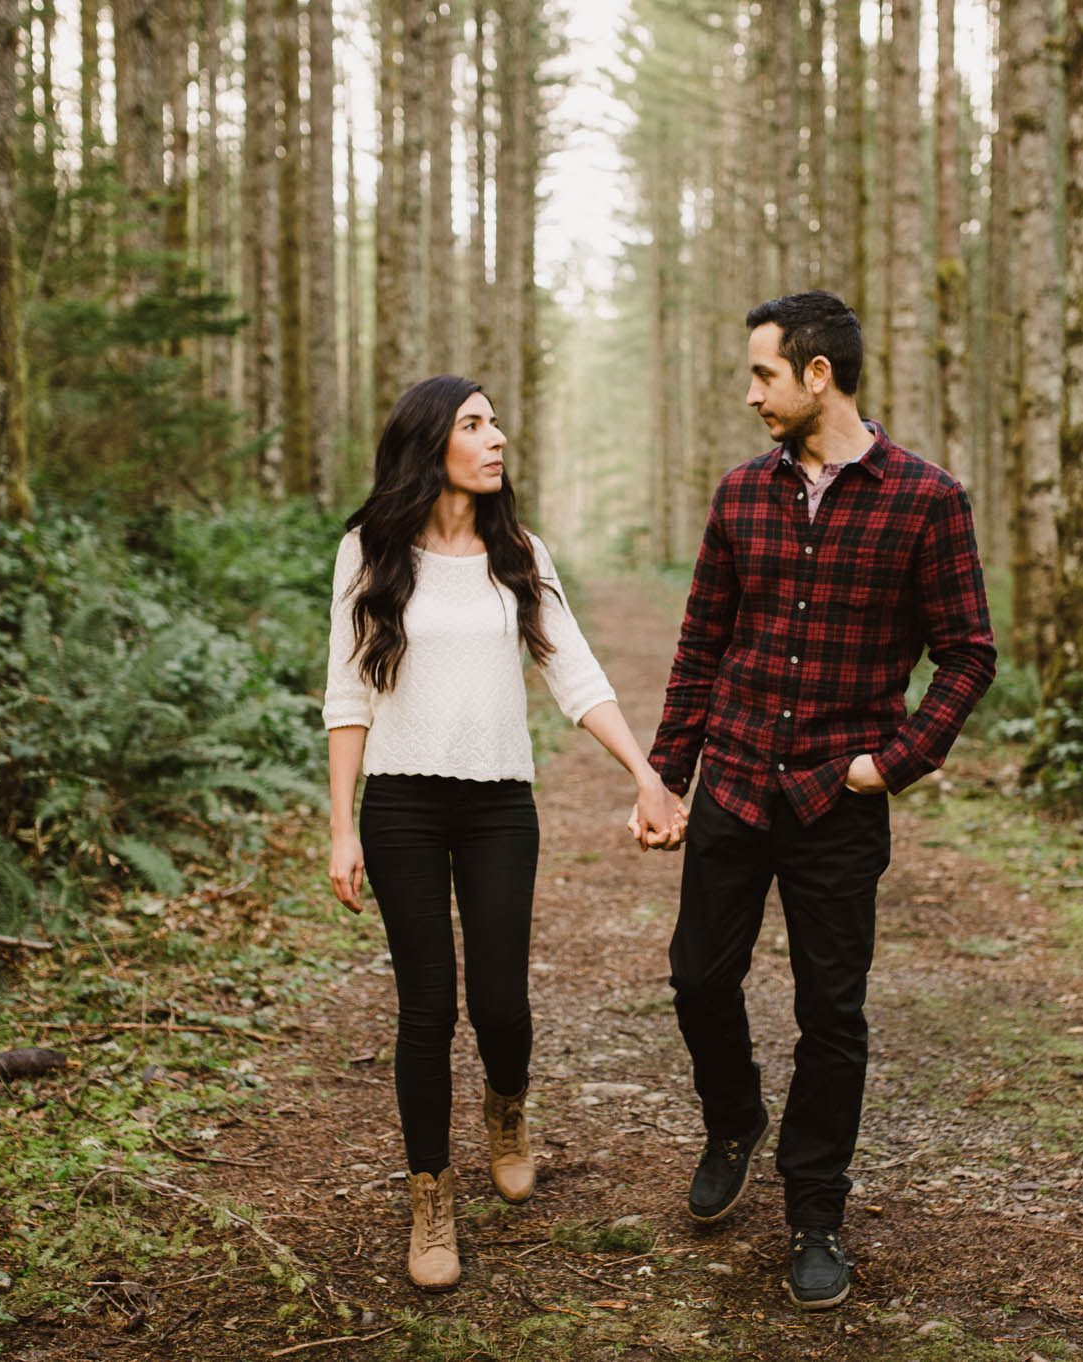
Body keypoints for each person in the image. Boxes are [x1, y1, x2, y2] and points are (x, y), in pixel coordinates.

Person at [634, 291, 995, 1310]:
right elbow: (700, 643)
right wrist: (668, 776)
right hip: (736, 782)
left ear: (816, 375)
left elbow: (968, 653)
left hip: (838, 799)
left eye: (761, 374)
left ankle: (814, 1212)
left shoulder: (926, 499)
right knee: (698, 981)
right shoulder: (739, 495)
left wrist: (896, 761)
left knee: (830, 1015)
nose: (749, 394)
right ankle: (733, 1116)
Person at [325, 375, 683, 1292]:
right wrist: (340, 827)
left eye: (495, 424)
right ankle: (431, 1197)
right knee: (426, 1009)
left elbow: (576, 673)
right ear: (429, 442)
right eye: (475, 425)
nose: (497, 439)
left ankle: (507, 1110)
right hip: (401, 803)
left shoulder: (518, 553)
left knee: (501, 1004)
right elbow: (349, 695)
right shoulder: (368, 552)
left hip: (498, 807)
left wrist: (644, 774)